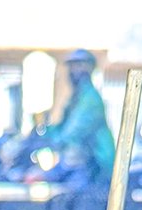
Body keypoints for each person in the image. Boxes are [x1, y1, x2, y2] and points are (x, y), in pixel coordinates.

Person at [43, 49, 116, 183]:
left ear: (89, 68)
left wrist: (52, 142)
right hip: (80, 161)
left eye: (78, 65)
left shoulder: (91, 99)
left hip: (95, 165)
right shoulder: (76, 98)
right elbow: (61, 127)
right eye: (71, 66)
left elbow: (73, 132)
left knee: (68, 194)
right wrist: (44, 134)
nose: (73, 70)